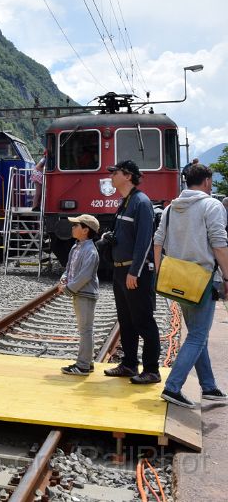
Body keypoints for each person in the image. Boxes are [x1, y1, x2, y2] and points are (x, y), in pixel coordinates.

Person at [153, 163, 228, 407]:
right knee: (197, 335)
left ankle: (208, 386)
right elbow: (219, 243)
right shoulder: (212, 205)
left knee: (198, 334)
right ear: (206, 181)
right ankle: (173, 387)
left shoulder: (171, 208)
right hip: (202, 279)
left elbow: (158, 242)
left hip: (178, 277)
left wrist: (160, 271)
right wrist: (227, 276)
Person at [103, 159, 162, 384]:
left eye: (115, 172)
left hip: (134, 272)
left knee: (143, 321)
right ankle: (129, 364)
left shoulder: (141, 202)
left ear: (127, 175)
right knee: (126, 321)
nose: (111, 176)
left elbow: (145, 240)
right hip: (121, 271)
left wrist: (134, 272)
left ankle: (151, 370)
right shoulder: (125, 202)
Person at [58, 214, 101, 375]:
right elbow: (69, 269)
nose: (72, 228)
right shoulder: (76, 247)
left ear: (85, 230)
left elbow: (85, 276)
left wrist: (68, 288)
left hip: (86, 293)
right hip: (80, 293)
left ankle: (82, 365)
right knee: (85, 329)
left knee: (85, 330)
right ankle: (87, 362)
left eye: (76, 225)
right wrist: (64, 279)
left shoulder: (90, 251)